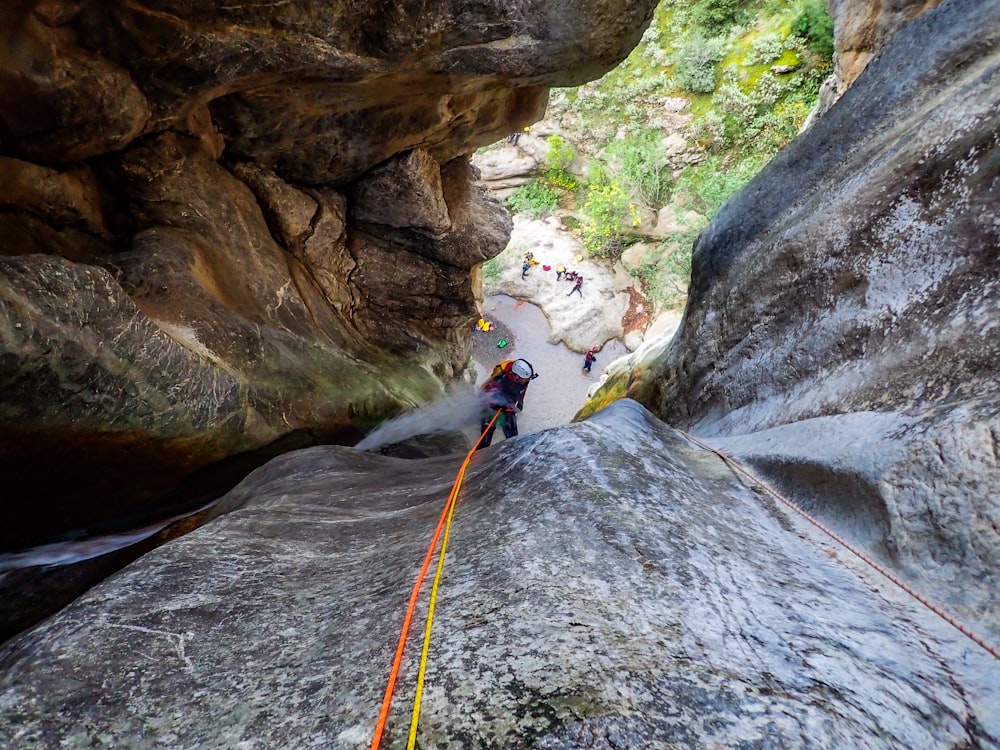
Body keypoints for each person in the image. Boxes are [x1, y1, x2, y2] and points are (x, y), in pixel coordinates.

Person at [477, 358, 537, 449]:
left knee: (512, 435)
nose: (527, 381)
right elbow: (486, 395)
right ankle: (480, 452)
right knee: (486, 437)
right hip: (491, 404)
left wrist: (519, 404)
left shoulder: (523, 380)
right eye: (525, 379)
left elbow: (521, 392)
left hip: (507, 403)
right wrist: (497, 404)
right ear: (516, 376)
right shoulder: (500, 378)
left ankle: (513, 451)